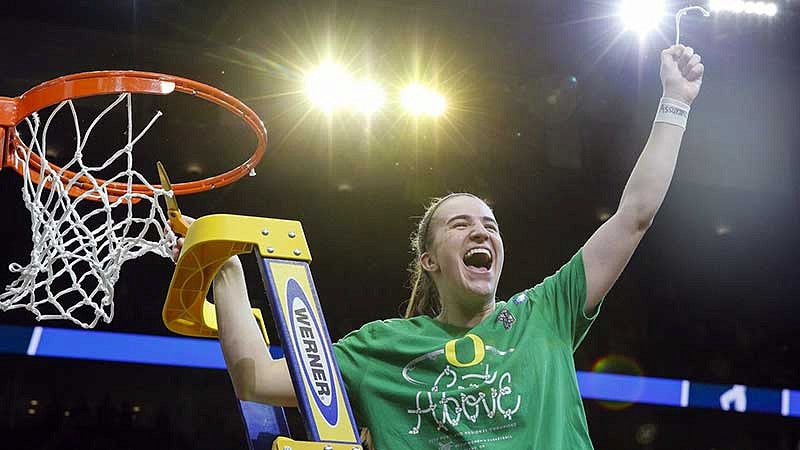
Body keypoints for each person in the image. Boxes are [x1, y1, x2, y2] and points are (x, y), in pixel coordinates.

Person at [172, 44, 705, 449]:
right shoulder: (380, 349)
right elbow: (257, 378)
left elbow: (635, 214)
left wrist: (675, 102)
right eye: (461, 225)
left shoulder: (547, 311)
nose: (482, 232)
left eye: (490, 225)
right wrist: (225, 273)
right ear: (428, 261)